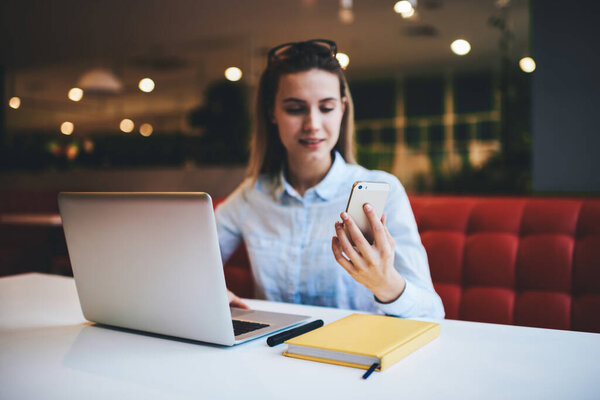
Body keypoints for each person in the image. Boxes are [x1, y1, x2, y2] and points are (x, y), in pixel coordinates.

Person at [216, 39, 444, 318]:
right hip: (273, 354)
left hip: (356, 355)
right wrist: (208, 294)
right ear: (271, 112)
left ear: (342, 109)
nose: (312, 124)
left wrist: (386, 284)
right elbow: (187, 263)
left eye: (326, 107)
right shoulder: (252, 195)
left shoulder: (384, 190)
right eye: (295, 108)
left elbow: (432, 313)